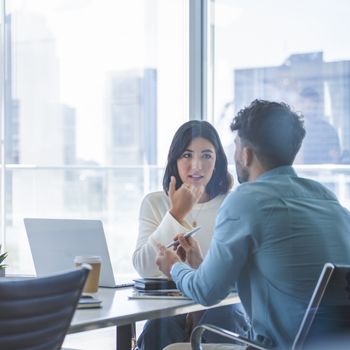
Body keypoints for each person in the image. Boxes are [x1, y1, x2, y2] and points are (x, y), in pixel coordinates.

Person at [156, 100, 350, 350]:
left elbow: (206, 293)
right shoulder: (327, 198)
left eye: (236, 146)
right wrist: (203, 266)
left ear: (245, 153)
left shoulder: (245, 200)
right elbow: (284, 282)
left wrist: (174, 267)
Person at [132, 120, 250, 350]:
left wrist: (199, 266)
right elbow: (145, 267)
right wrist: (176, 213)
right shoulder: (155, 202)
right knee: (162, 323)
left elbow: (242, 276)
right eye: (187, 155)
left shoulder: (232, 203)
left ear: (217, 162)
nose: (196, 166)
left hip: (221, 306)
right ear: (175, 160)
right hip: (170, 308)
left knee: (225, 315)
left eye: (206, 156)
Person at [297, 87, 341, 164]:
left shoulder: (328, 130)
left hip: (320, 174)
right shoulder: (291, 130)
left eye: (311, 106)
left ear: (317, 106)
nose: (309, 108)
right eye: (306, 106)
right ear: (299, 105)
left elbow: (335, 160)